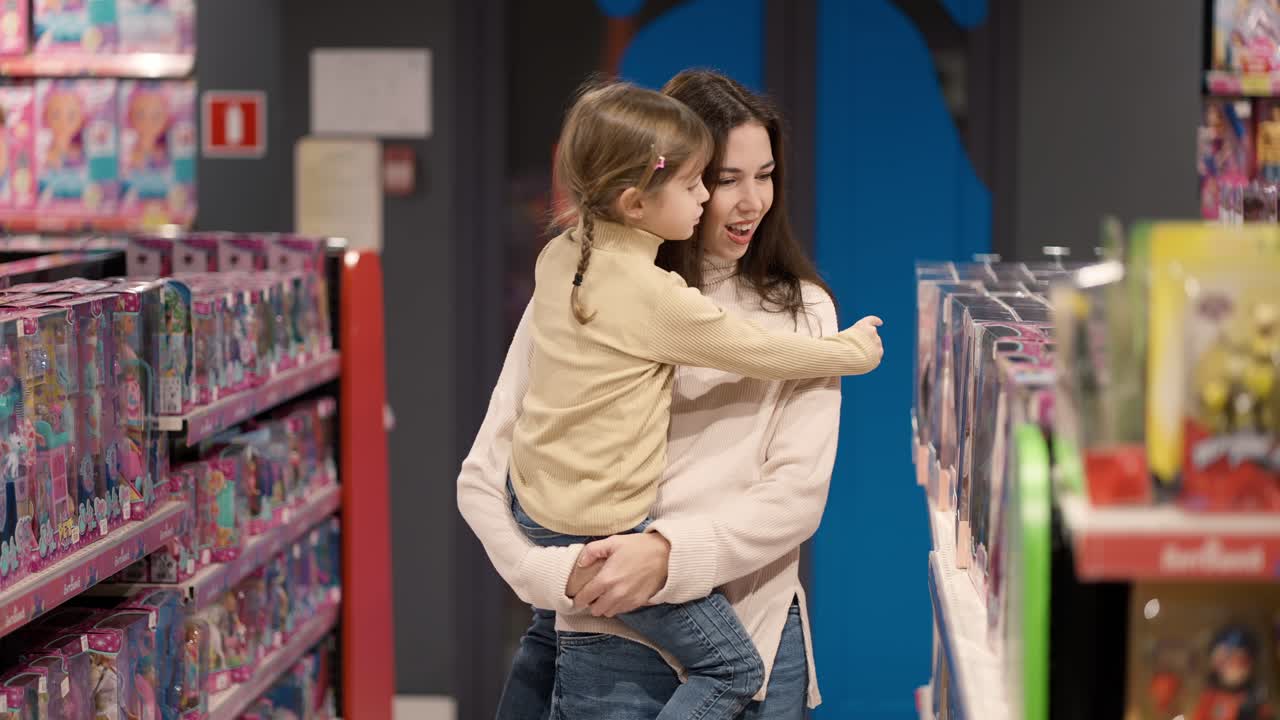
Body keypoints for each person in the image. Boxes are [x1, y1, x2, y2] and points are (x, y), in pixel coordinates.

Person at [458, 71, 874, 719]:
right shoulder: (586, 287)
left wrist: (667, 555)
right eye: (721, 178)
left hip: (761, 630)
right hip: (608, 633)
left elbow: (796, 497)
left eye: (764, 175)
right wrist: (555, 577)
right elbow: (486, 472)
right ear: (649, 187)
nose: (747, 201)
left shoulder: (803, 309)